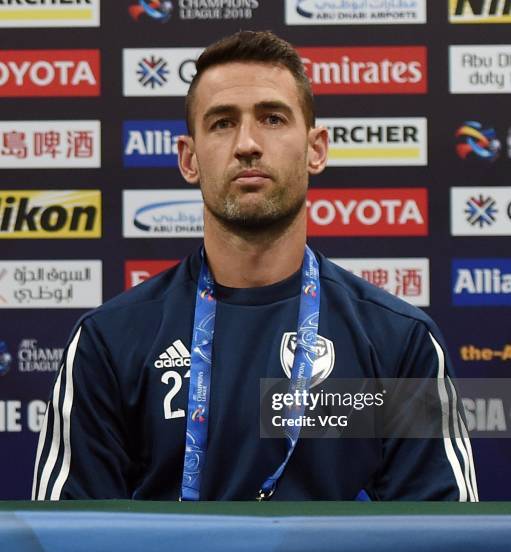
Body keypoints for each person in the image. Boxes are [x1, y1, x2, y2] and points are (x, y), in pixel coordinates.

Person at [32, 31, 477, 502]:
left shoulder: (398, 342)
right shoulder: (109, 342)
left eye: (272, 118)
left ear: (316, 149)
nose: (247, 143)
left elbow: (440, 549)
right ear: (189, 159)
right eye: (222, 123)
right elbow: (65, 551)